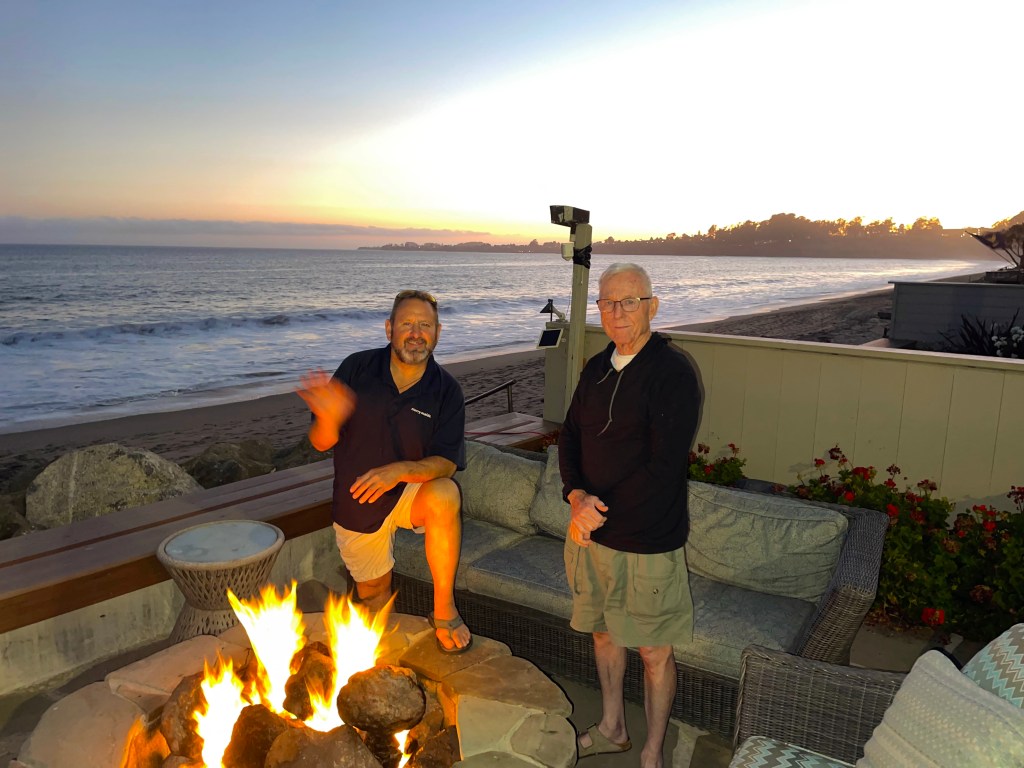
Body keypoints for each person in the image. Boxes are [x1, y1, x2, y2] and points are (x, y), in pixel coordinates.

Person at [559, 263, 702, 767]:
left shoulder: (673, 373)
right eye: (607, 302)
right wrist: (576, 497)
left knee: (653, 651)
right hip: (589, 533)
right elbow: (569, 435)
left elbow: (662, 467)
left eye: (629, 301)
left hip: (646, 540)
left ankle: (653, 752)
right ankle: (613, 727)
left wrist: (598, 511)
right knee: (603, 632)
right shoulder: (597, 367)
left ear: (652, 307)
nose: (616, 312)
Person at [296, 289, 471, 653]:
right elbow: (321, 443)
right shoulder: (357, 368)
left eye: (425, 325)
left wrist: (400, 471)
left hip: (409, 490)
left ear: (438, 332)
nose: (416, 333)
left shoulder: (446, 390)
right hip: (359, 497)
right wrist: (328, 419)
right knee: (375, 596)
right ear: (389, 328)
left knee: (445, 493)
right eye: (407, 324)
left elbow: (447, 462)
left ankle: (444, 609)